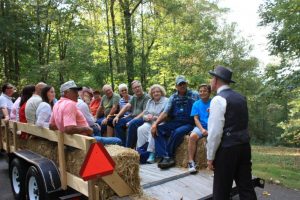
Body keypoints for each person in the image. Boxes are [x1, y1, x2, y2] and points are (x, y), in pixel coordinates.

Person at [206, 66, 257, 200]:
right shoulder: (241, 98)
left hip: (227, 150)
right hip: (244, 147)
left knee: (221, 191)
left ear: (216, 80)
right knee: (246, 188)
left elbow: (215, 133)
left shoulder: (218, 99)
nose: (211, 81)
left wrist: (210, 157)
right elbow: (238, 121)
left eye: (212, 78)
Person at [151, 75, 199, 169]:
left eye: (183, 83)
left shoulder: (194, 94)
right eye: (180, 84)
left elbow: (201, 107)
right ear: (176, 86)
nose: (182, 86)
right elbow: (165, 112)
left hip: (189, 122)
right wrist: (155, 124)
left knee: (177, 132)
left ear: (186, 84)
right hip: (176, 121)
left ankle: (169, 156)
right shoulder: (173, 97)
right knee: (159, 129)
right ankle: (163, 156)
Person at [113, 80, 150, 147]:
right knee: (118, 122)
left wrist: (132, 120)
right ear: (133, 90)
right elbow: (127, 106)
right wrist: (117, 116)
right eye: (135, 88)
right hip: (133, 117)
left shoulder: (146, 97)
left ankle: (128, 148)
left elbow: (145, 111)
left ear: (141, 87)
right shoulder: (134, 97)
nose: (137, 88)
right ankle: (121, 145)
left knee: (133, 123)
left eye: (138, 86)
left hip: (143, 118)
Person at [137, 84, 168, 163]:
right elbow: (144, 114)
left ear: (161, 92)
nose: (156, 93)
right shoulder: (150, 101)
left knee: (153, 129)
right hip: (150, 122)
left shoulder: (166, 101)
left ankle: (152, 153)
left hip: (161, 123)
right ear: (151, 94)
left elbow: (166, 115)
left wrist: (155, 118)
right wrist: (146, 117)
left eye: (157, 91)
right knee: (141, 129)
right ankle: (141, 151)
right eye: (153, 92)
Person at [187, 84, 211, 173]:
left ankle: (214, 163)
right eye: (200, 91)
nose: (202, 93)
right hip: (201, 126)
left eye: (205, 91)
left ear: (209, 92)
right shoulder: (196, 104)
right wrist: (202, 130)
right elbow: (196, 119)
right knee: (192, 136)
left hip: (212, 127)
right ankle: (191, 162)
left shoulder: (213, 102)